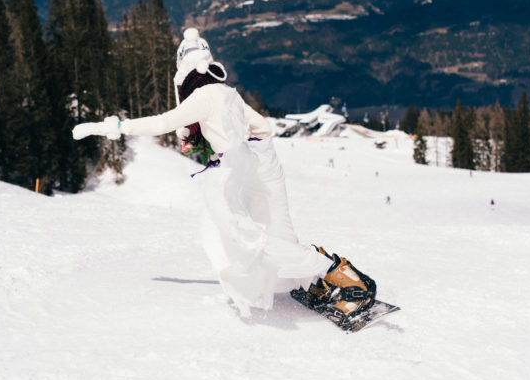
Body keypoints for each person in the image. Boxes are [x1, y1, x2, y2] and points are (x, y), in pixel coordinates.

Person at [72, 28, 375, 323]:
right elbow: (262, 128)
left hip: (247, 170)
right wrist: (240, 151)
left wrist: (118, 127)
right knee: (276, 236)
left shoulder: (202, 97)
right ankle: (320, 278)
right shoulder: (227, 93)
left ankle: (343, 278)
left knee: (254, 239)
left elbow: (161, 122)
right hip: (264, 164)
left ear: (183, 70)